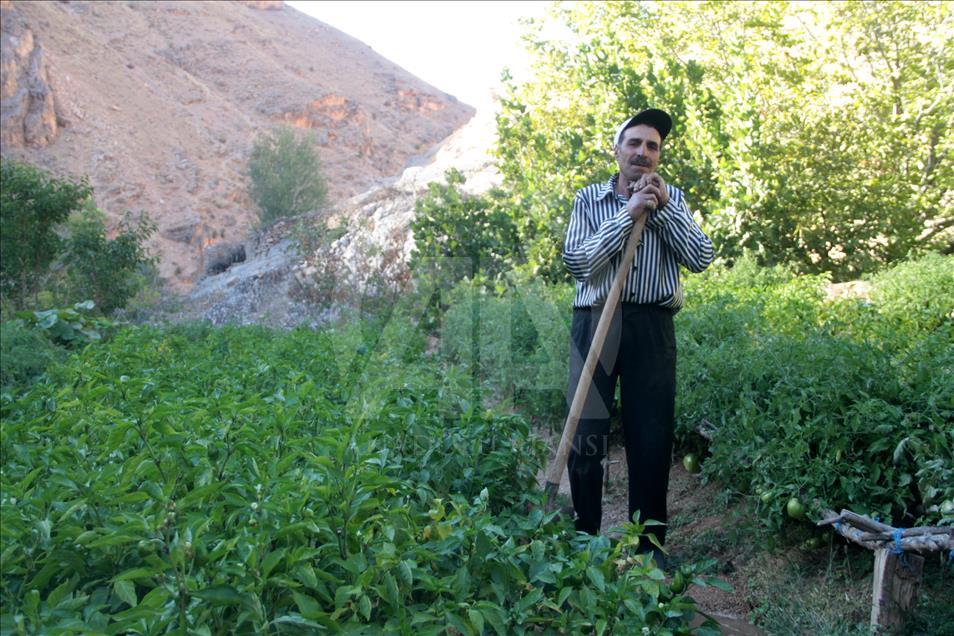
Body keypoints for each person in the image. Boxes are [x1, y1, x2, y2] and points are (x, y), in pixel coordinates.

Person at [562, 108, 714, 554]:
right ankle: (585, 540)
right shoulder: (589, 199)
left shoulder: (675, 200)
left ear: (659, 156)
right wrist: (627, 215)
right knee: (586, 433)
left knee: (651, 437)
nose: (643, 153)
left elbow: (701, 257)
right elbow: (578, 262)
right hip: (594, 321)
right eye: (634, 143)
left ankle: (649, 550)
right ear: (617, 151)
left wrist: (662, 211)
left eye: (652, 146)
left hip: (652, 328)